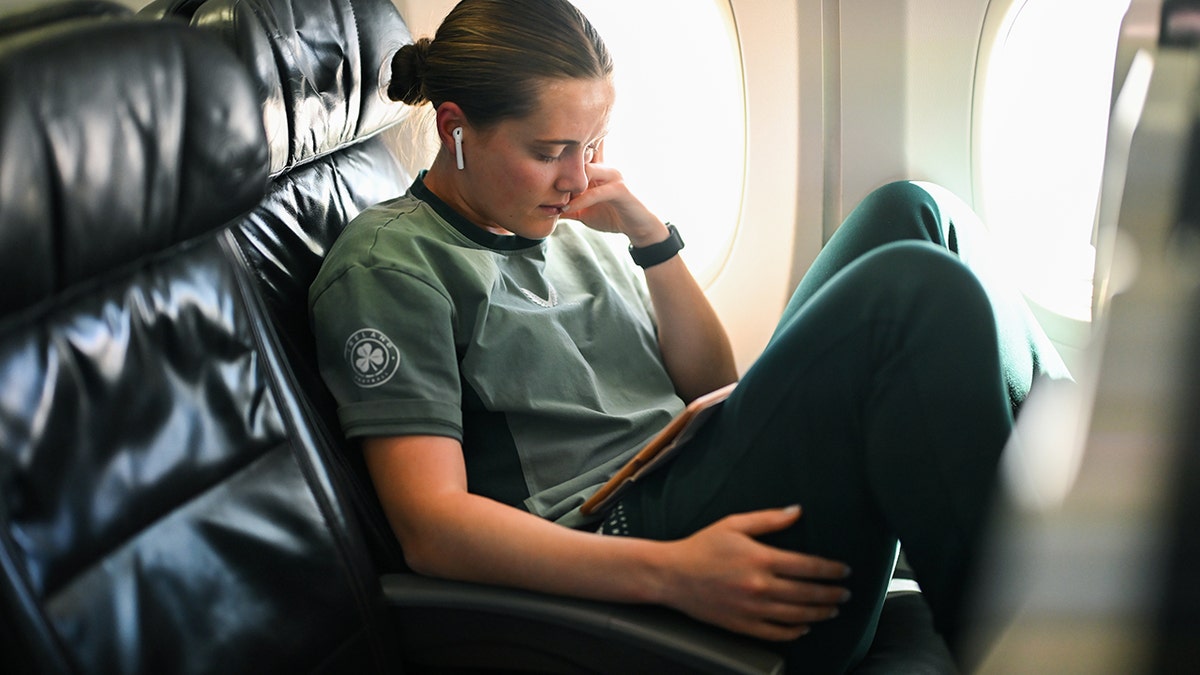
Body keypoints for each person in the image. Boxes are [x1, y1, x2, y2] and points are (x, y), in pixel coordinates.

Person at [309, 0, 1069, 670]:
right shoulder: (390, 265)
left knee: (914, 212)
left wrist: (650, 237)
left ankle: (1085, 533)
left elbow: (709, 381)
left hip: (693, 461)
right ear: (455, 130)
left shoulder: (572, 217)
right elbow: (432, 529)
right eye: (550, 152)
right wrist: (675, 572)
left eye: (593, 143)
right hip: (631, 536)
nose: (578, 177)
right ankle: (1053, 646)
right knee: (910, 297)